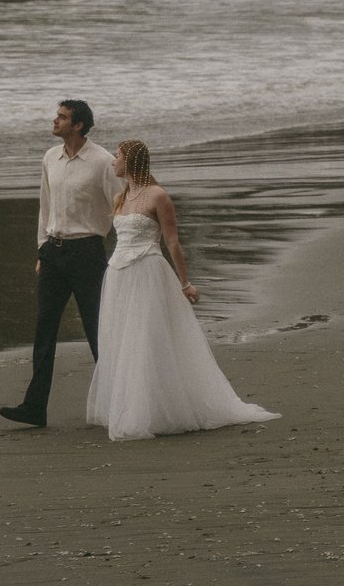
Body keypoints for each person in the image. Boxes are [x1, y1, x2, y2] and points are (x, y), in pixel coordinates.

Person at [83, 138, 277, 441]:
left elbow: (172, 241)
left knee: (148, 336)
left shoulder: (157, 195)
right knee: (124, 338)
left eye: (118, 156)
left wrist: (185, 282)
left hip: (147, 270)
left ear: (131, 161)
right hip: (120, 274)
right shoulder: (121, 197)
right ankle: (134, 405)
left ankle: (155, 410)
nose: (113, 161)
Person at [0, 99, 122, 428]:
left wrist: (123, 253)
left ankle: (117, 404)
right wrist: (42, 251)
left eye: (62, 117)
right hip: (54, 254)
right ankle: (34, 407)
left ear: (78, 125)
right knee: (44, 329)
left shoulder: (103, 162)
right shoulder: (50, 157)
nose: (55, 121)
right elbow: (46, 206)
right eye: (57, 115)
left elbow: (121, 208)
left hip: (87, 253)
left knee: (97, 330)